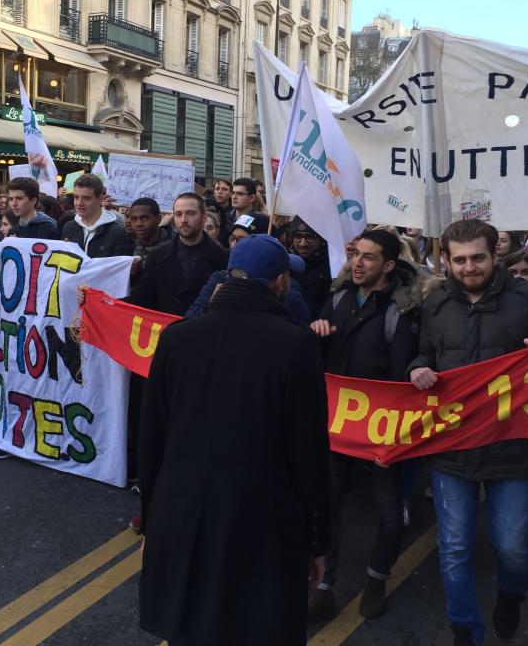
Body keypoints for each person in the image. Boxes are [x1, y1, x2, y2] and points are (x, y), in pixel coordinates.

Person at [138, 233, 332, 646]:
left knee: (191, 626)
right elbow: (309, 451)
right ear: (280, 281)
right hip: (263, 520)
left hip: (183, 511)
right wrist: (317, 540)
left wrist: (153, 524)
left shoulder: (177, 337)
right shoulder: (296, 343)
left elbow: (152, 438)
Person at [408, 219, 528, 646]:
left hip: (512, 447)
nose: (469, 267)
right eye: (459, 260)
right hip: (452, 447)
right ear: (446, 260)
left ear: (495, 254)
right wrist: (416, 369)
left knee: (512, 546)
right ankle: (464, 630)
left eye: (478, 257)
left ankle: (511, 596)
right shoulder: (435, 302)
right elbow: (424, 353)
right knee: (454, 546)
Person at [308, 229, 422, 620]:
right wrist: (317, 334)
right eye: (356, 254)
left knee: (389, 514)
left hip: (382, 426)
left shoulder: (400, 310)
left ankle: (376, 578)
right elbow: (318, 356)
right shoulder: (337, 297)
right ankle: (325, 581)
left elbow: (402, 374)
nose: (358, 262)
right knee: (328, 504)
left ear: (388, 266)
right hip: (338, 423)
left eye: (369, 258)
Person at [129, 193, 229, 317]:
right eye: (178, 214)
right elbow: (142, 299)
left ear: (204, 217)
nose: (184, 220)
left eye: (190, 213)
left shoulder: (224, 258)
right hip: (167, 331)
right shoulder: (157, 257)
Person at [61, 174, 133, 257]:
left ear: (100, 199)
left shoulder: (117, 232)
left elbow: (118, 267)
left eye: (86, 198)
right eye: (76, 197)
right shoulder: (69, 227)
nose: (79, 203)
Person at [289, 217, 333, 318]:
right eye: (297, 236)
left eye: (310, 237)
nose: (303, 243)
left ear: (322, 239)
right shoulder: (284, 263)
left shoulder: (334, 267)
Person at [127, 198, 173, 278]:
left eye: (144, 218)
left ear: (158, 219)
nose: (138, 224)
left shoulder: (173, 248)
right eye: (134, 219)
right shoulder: (127, 246)